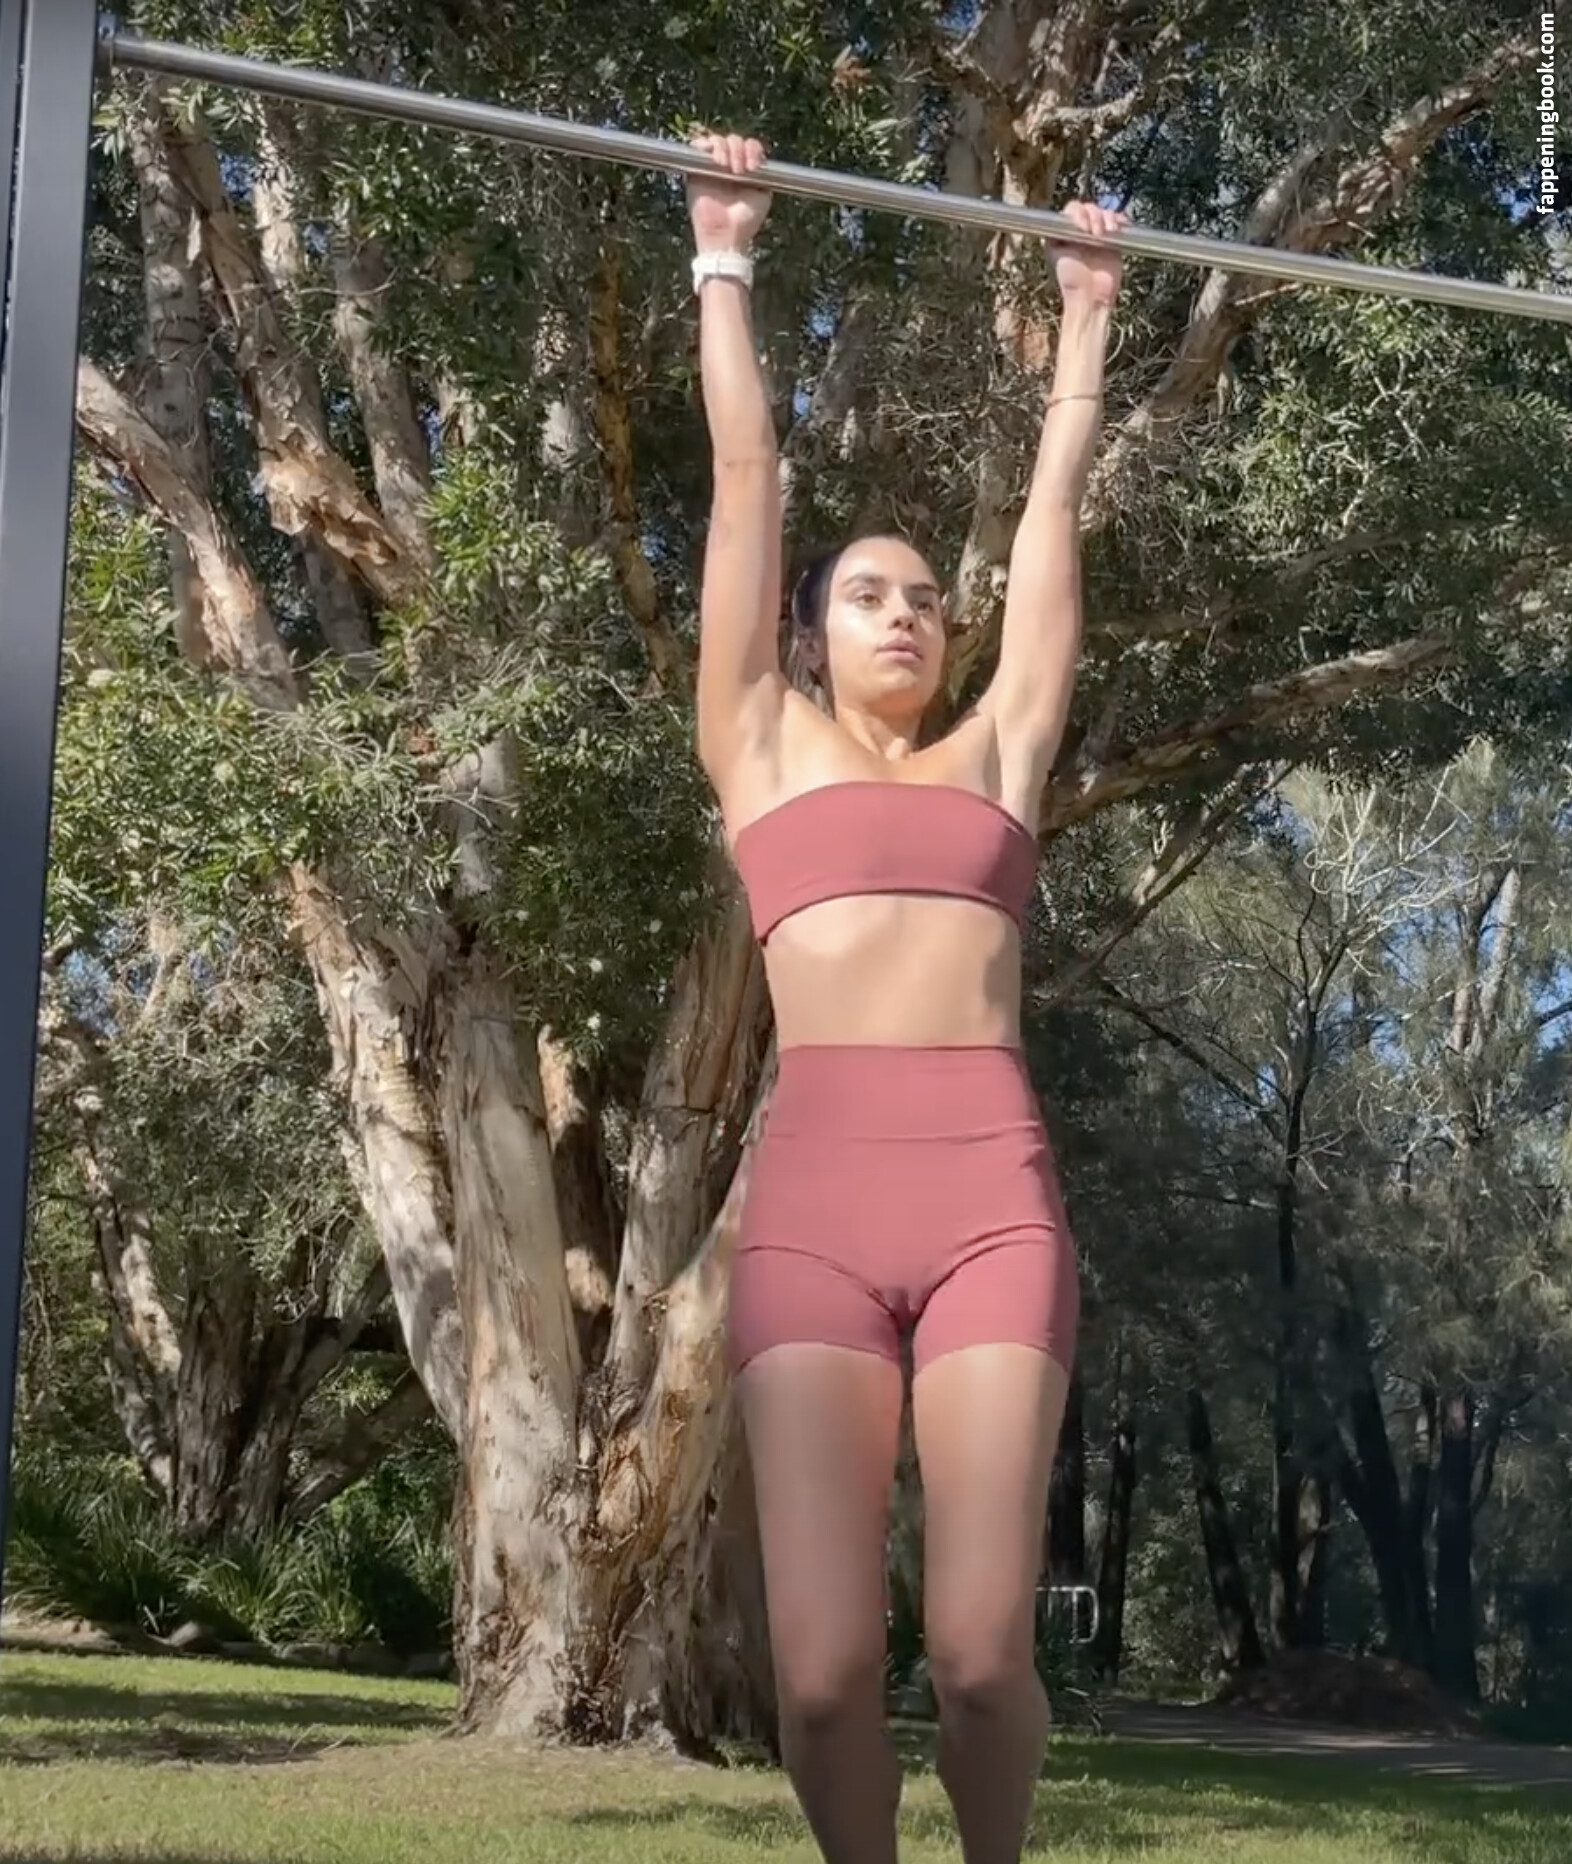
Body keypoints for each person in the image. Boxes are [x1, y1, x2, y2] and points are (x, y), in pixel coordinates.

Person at [688, 128, 1124, 1864]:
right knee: (819, 1682)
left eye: (929, 600)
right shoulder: (759, 743)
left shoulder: (1002, 752)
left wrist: (1085, 316)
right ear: (809, 631)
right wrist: (725, 253)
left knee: (979, 1656)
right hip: (813, 1215)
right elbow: (744, 476)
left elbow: (1054, 511)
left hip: (987, 1203)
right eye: (869, 594)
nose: (907, 616)